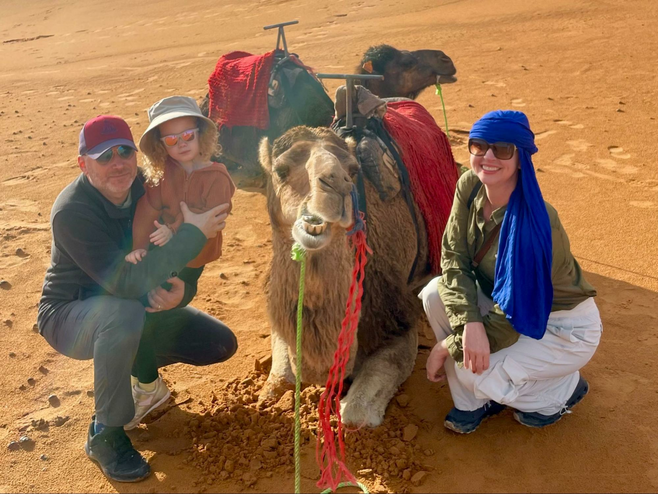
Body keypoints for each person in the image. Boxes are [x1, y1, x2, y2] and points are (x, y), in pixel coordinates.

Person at [37, 115, 238, 482]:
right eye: (104, 156)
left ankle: (139, 379)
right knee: (123, 314)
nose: (117, 163)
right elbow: (126, 282)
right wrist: (192, 233)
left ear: (136, 155)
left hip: (132, 302)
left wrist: (185, 288)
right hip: (70, 314)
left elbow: (188, 250)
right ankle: (106, 433)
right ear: (84, 163)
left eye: (124, 152)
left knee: (218, 343)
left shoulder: (149, 187)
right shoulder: (72, 211)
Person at [420, 110, 601, 434]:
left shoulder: (535, 223)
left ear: (521, 158)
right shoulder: (470, 185)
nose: (488, 157)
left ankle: (560, 393)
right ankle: (473, 403)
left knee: (470, 368)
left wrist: (449, 345)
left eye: (502, 149)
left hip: (562, 328)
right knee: (435, 293)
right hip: (504, 302)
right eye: (479, 146)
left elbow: (511, 320)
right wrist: (471, 324)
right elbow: (453, 258)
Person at [122, 96, 235, 421]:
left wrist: (176, 230)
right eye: (171, 140)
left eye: (188, 135)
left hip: (193, 259)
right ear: (161, 145)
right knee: (143, 305)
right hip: (162, 254)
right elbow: (147, 208)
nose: (181, 144)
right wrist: (139, 245)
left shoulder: (217, 177)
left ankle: (142, 378)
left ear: (201, 134)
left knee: (163, 298)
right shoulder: (163, 173)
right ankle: (143, 382)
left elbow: (209, 222)